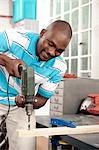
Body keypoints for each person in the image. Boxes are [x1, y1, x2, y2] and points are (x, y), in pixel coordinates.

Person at [0, 20, 72, 150]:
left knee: (25, 146)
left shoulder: (59, 67)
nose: (51, 52)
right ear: (43, 33)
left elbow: (42, 99)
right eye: (50, 44)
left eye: (59, 51)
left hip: (20, 106)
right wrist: (6, 61)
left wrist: (29, 101)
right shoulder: (14, 38)